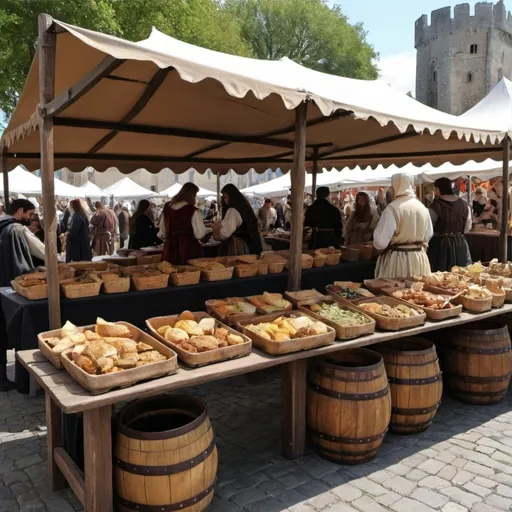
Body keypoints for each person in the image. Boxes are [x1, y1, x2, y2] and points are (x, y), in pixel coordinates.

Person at [373, 173, 433, 279]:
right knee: (417, 293)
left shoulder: (392, 208)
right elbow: (428, 234)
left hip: (398, 260)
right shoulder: (422, 207)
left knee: (396, 292)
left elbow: (380, 242)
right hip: (418, 258)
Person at [427, 177, 472, 272]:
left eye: (434, 189)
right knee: (461, 274)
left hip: (440, 246)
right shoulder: (464, 204)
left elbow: (428, 228)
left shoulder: (434, 206)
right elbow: (468, 227)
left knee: (440, 276)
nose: (434, 191)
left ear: (438, 189)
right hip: (460, 244)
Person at [0, 199, 46, 286]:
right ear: (20, 210)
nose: (31, 218)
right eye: (30, 214)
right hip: (15, 279)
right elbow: (41, 250)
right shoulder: (17, 229)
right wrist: (58, 259)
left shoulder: (2, 224)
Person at [159, 182, 208, 264]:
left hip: (170, 248)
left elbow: (162, 233)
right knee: (189, 274)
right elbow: (200, 234)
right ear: (192, 195)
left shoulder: (167, 208)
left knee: (171, 272)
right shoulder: (192, 210)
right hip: (188, 247)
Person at [212, 184, 262, 255]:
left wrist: (215, 227)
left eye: (225, 197)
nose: (224, 200)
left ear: (231, 197)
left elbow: (224, 233)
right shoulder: (245, 206)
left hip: (239, 246)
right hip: (250, 243)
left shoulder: (233, 210)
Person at [66, 199, 92, 263]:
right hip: (83, 240)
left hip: (79, 241)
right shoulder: (81, 214)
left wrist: (68, 234)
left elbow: (74, 230)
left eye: (70, 206)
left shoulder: (77, 216)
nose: (70, 207)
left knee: (81, 260)